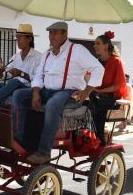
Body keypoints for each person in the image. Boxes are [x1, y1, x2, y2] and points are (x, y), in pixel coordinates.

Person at [11, 21, 104, 164]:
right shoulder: (47, 53)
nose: (51, 36)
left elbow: (98, 68)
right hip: (47, 91)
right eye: (50, 33)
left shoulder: (77, 50)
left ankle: (43, 152)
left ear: (64, 34)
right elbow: (38, 76)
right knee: (19, 95)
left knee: (52, 105)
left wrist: (87, 90)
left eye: (55, 33)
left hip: (68, 93)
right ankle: (19, 139)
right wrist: (35, 92)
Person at [0, 24, 42, 105]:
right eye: (17, 37)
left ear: (29, 39)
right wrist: (1, 71)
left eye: (20, 37)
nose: (17, 40)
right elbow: (6, 75)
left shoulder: (38, 57)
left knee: (15, 82)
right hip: (13, 86)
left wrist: (21, 74)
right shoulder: (15, 57)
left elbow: (38, 79)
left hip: (28, 88)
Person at [90, 30, 128, 143]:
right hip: (97, 96)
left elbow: (118, 85)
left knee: (96, 106)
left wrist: (98, 90)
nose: (94, 46)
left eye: (98, 43)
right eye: (95, 43)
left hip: (112, 99)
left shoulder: (117, 61)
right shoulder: (96, 62)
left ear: (106, 45)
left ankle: (99, 139)